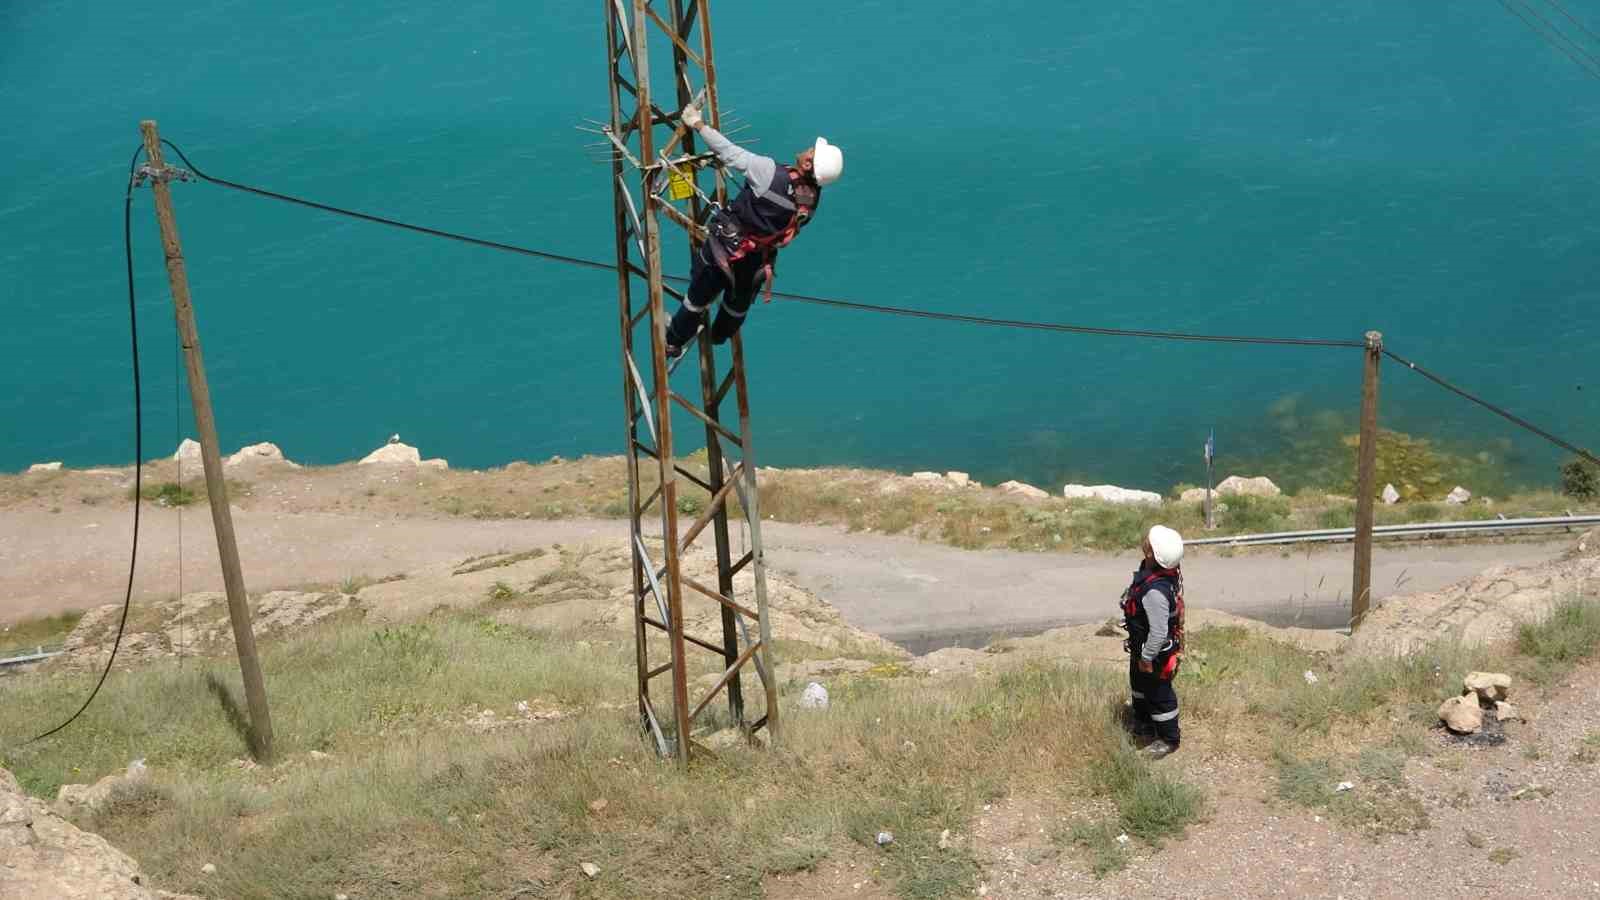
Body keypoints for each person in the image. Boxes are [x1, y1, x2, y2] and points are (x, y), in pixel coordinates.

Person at [663, 100, 844, 358]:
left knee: (697, 298)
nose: (807, 150)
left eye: (810, 152)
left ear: (807, 165)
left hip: (724, 250)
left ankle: (674, 341)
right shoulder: (811, 201)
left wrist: (697, 123)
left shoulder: (769, 172)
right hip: (756, 260)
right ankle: (719, 335)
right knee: (736, 305)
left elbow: (729, 152)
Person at [1122, 524, 1186, 758]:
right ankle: (1144, 724)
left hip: (1154, 654)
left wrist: (1147, 657)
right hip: (1142, 649)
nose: (1145, 538)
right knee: (1139, 686)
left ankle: (1168, 739)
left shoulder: (1154, 593)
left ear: (1151, 553)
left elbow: (1158, 633)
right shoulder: (1153, 571)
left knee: (1160, 694)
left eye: (1149, 540)